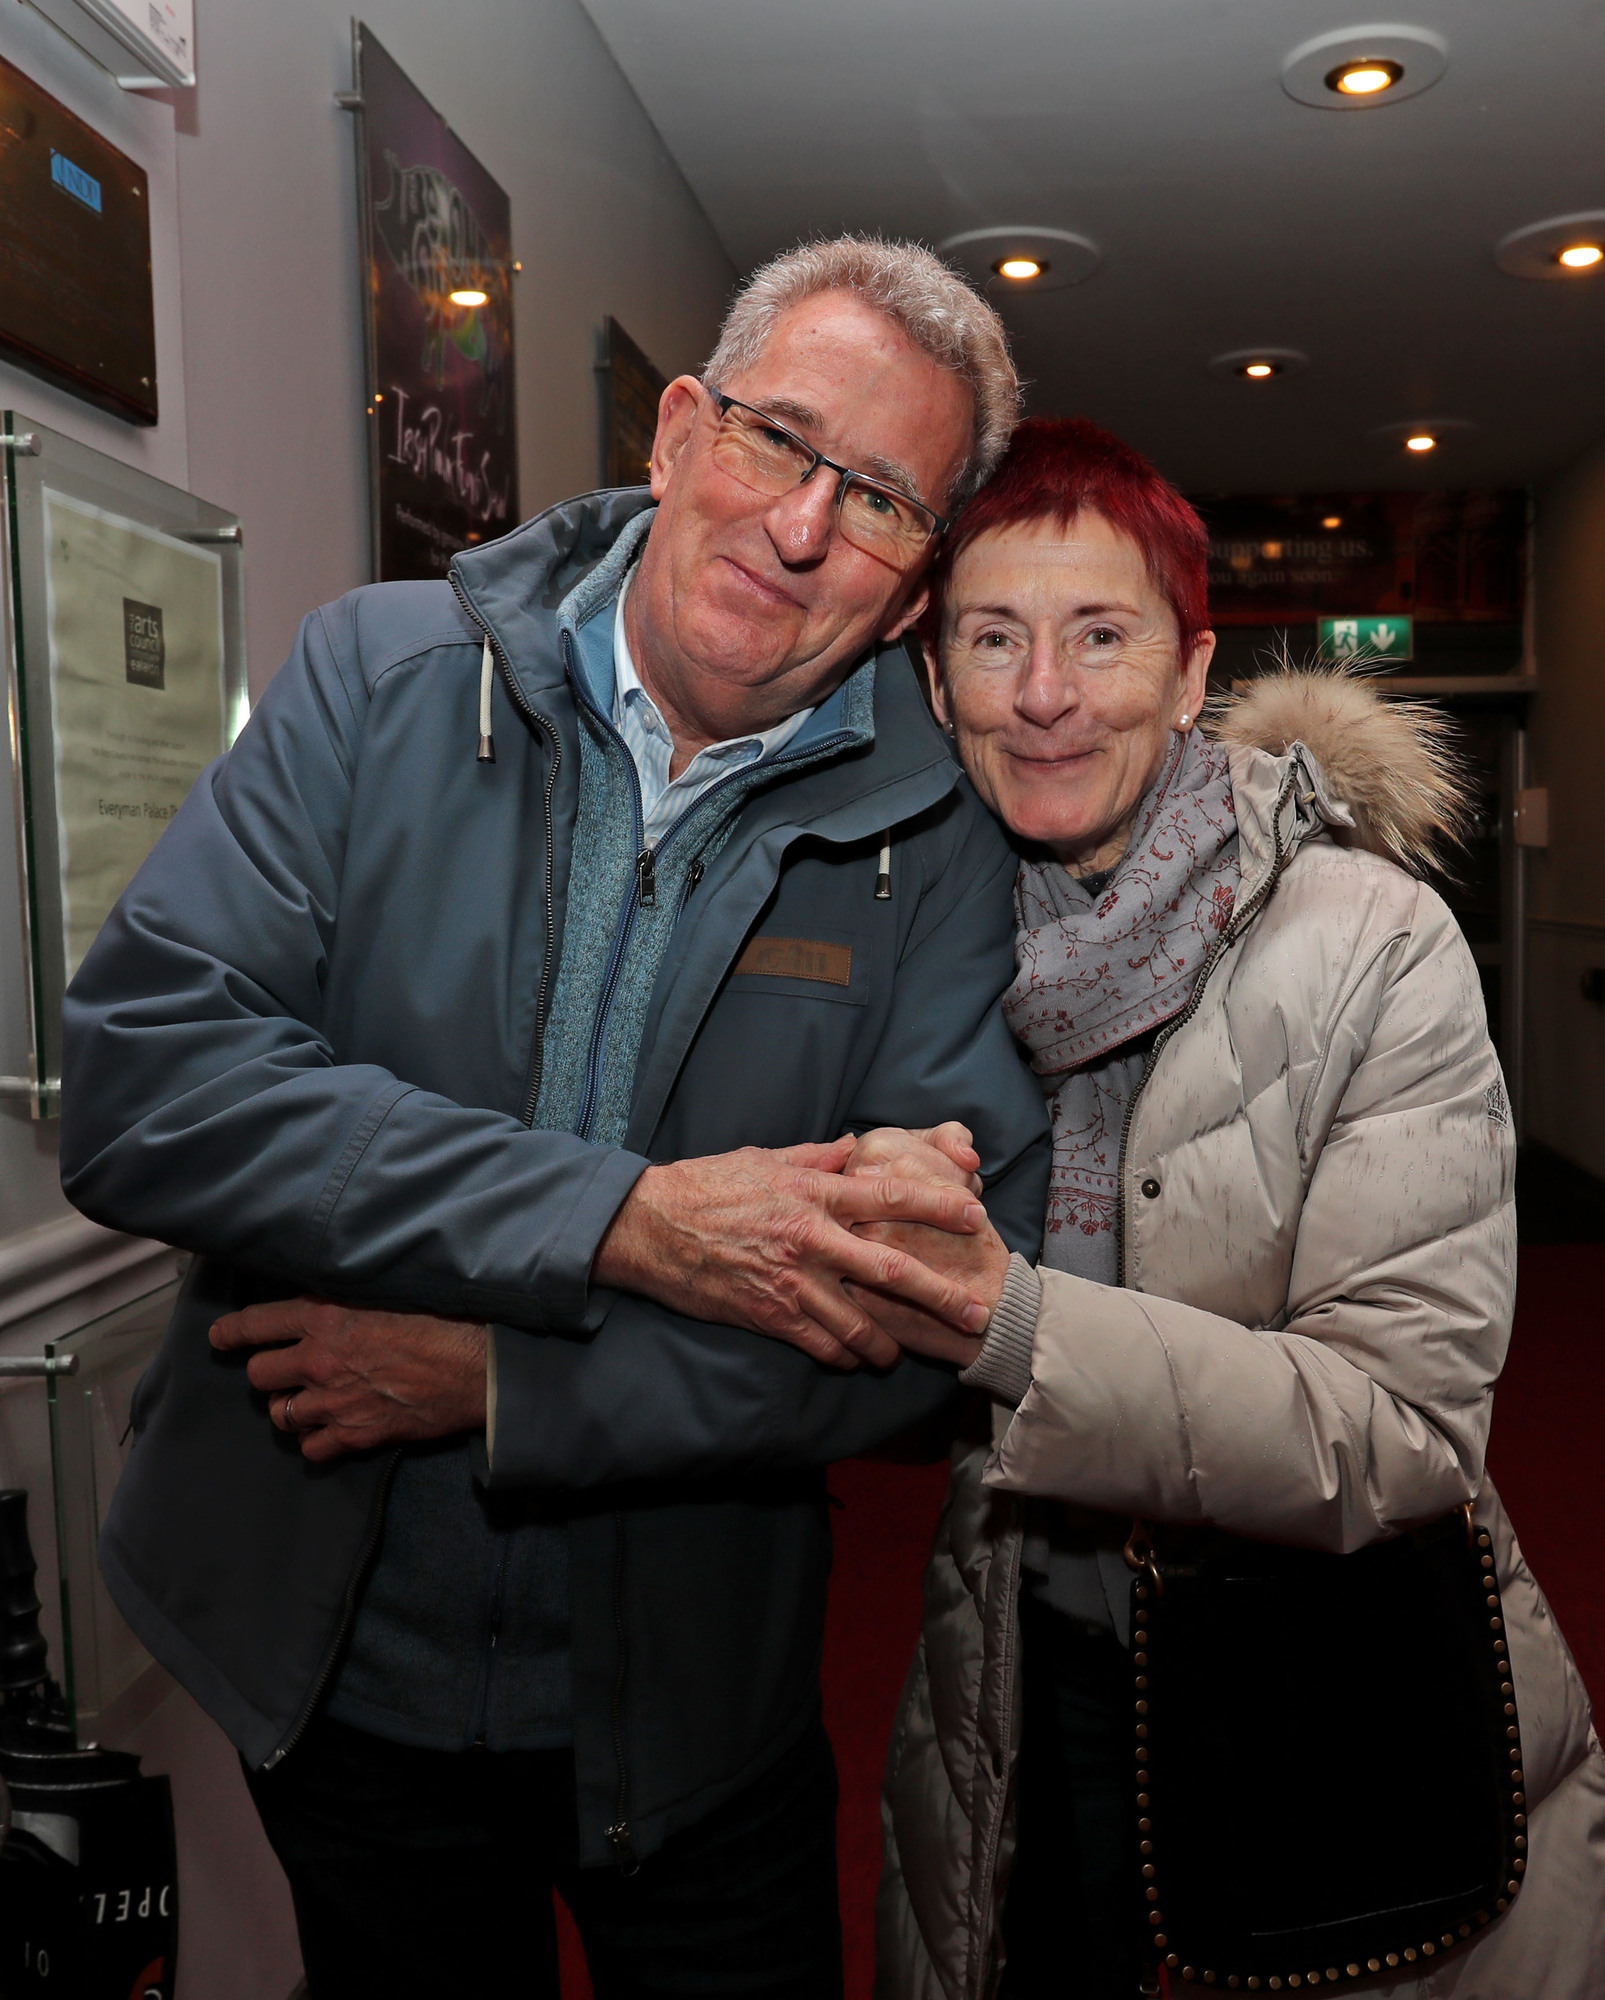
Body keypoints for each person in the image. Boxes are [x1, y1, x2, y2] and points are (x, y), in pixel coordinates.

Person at [57, 238, 1053, 1999]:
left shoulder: (946, 837)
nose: (799, 526)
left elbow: (932, 1324)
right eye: (774, 439)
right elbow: (148, 1088)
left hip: (698, 1709)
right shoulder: (376, 675)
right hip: (333, 1677)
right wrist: (623, 1220)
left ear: (916, 585)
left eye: (879, 500)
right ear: (674, 433)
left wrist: (506, 1381)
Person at [854, 420, 1605, 1998]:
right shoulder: (910, 949)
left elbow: (1400, 1429)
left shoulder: (1372, 942)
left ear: (1191, 671)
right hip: (1020, 1660)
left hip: (1319, 1680)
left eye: (1099, 635)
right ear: (935, 681)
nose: (1042, 692)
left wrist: (1003, 1317)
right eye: (991, 639)